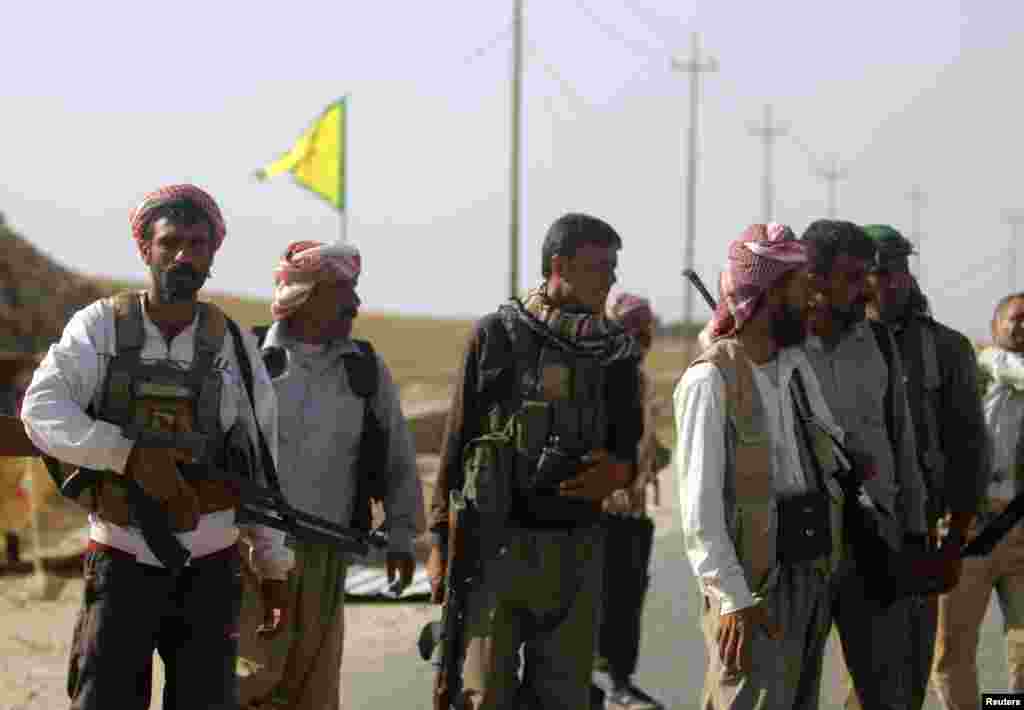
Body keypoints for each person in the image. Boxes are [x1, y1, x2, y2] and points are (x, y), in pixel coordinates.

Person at [20, 184, 295, 710]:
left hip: (210, 566)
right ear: (146, 248)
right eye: (170, 242)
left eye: (198, 243)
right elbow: (42, 410)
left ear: (214, 254)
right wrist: (128, 456)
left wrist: (273, 565)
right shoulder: (101, 327)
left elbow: (262, 461)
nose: (184, 255)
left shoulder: (234, 344)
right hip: (121, 559)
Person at [426, 212, 644, 709]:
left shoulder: (616, 354)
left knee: (562, 697)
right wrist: (439, 540)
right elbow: (457, 443)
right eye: (598, 266)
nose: (610, 279)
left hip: (577, 551)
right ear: (559, 265)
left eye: (614, 267)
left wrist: (619, 472)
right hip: (493, 549)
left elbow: (628, 452)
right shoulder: (496, 337)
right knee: (485, 695)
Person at [237, 239, 422, 710]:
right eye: (342, 289)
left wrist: (401, 535)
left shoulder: (364, 368)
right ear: (305, 294)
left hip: (327, 553)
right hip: (250, 554)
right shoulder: (250, 358)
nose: (355, 303)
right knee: (251, 681)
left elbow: (398, 454)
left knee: (312, 691)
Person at [677, 223, 846, 710]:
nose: (812, 298)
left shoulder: (795, 369)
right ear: (769, 295)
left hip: (806, 574)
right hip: (751, 591)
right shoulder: (710, 380)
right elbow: (700, 511)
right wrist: (733, 599)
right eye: (800, 287)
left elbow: (830, 456)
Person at [799, 219, 928, 710]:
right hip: (802, 553)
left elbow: (903, 441)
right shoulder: (775, 345)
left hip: (875, 541)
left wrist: (914, 532)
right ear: (814, 276)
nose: (866, 288)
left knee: (888, 693)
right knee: (793, 691)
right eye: (853, 277)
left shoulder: (878, 341)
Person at [862, 224, 988, 710]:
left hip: (916, 535)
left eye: (899, 269)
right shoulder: (827, 344)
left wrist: (954, 541)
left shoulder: (946, 349)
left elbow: (969, 449)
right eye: (879, 272)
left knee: (906, 678)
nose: (893, 281)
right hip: (844, 538)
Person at [928, 292, 1023, 709]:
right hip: (970, 529)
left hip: (1020, 530)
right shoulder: (973, 371)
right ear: (995, 324)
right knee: (952, 651)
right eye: (1017, 319)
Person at [595, 292, 664, 710]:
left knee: (628, 599)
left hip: (633, 509)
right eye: (632, 332)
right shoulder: (599, 378)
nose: (641, 340)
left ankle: (621, 682)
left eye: (646, 332)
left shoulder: (642, 379)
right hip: (600, 510)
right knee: (598, 600)